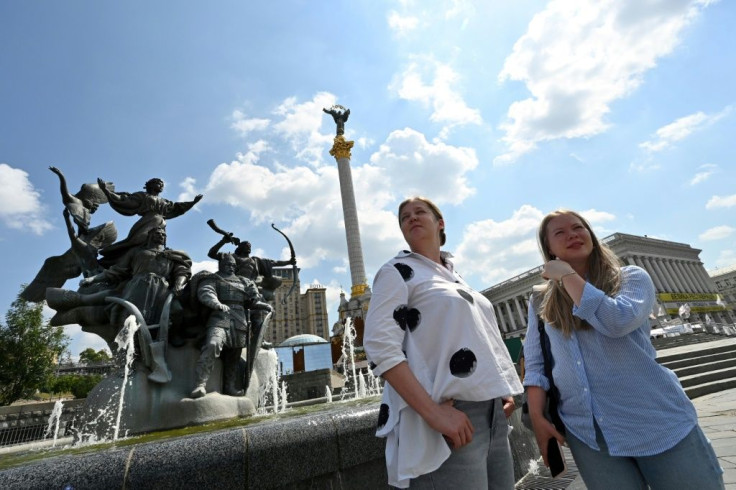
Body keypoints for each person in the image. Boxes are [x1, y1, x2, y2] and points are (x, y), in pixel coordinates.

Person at [524, 209, 724, 489]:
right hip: (589, 434)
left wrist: (567, 275)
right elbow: (534, 364)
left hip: (654, 420)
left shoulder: (630, 278)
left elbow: (617, 322)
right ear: (548, 247)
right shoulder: (540, 300)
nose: (572, 234)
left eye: (578, 227)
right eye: (560, 232)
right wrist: (536, 417)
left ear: (590, 235)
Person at [364, 196, 523, 489]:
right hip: (447, 412)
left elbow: (479, 332)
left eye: (419, 211)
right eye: (404, 217)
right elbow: (379, 345)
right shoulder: (396, 271)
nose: (411, 217)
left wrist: (501, 389)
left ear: (440, 223)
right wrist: (434, 413)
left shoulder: (454, 275)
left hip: (492, 415)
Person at [191, 253, 273, 398]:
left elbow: (253, 300)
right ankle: (200, 384)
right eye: (228, 265)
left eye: (234, 265)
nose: (231, 267)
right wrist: (216, 303)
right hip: (219, 318)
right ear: (221, 265)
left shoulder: (244, 281)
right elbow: (205, 292)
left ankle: (229, 386)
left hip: (240, 322)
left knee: (233, 357)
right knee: (212, 344)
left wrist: (264, 306)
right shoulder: (213, 279)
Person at [97, 177, 202, 266]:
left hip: (160, 223)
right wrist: (106, 190)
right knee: (136, 240)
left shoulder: (165, 201)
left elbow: (177, 208)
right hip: (147, 220)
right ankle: (112, 256)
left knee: (156, 243)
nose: (161, 186)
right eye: (159, 183)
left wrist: (192, 202)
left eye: (162, 184)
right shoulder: (142, 196)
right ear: (151, 185)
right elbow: (125, 201)